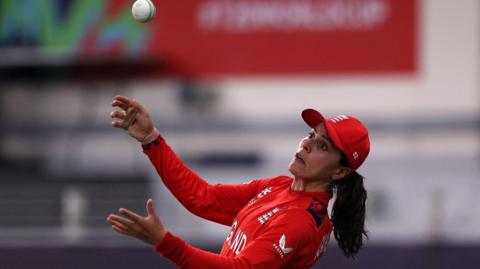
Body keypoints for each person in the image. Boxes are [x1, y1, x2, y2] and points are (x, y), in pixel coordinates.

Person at [107, 95, 370, 268]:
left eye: (322, 145)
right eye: (311, 134)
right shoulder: (279, 187)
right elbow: (203, 198)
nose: (308, 144)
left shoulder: (300, 220)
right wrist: (151, 140)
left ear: (339, 173)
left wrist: (165, 243)